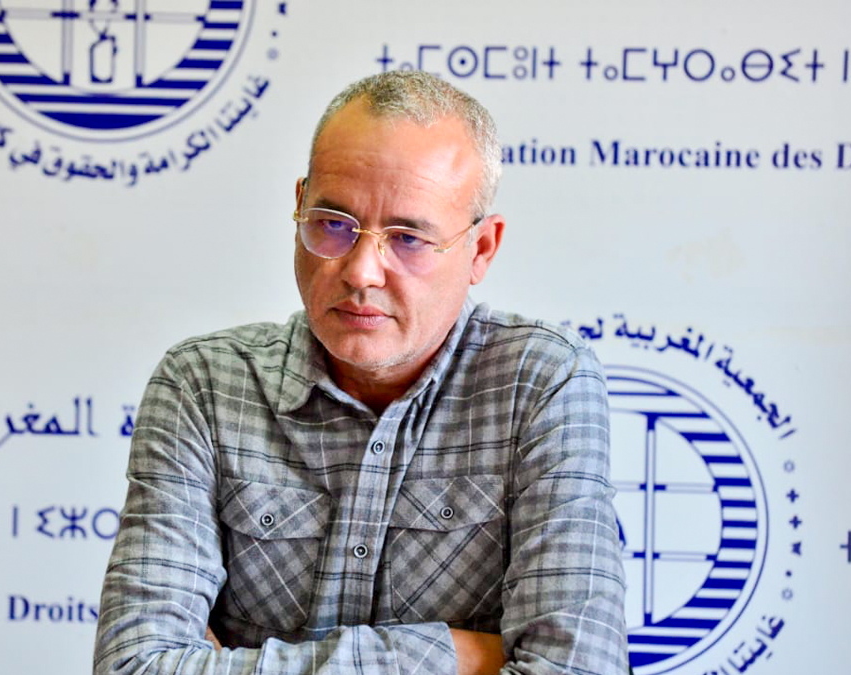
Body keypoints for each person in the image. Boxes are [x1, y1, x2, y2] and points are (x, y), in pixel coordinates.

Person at [94, 71, 628, 675]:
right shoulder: (203, 386)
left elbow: (576, 668)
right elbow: (134, 666)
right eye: (332, 223)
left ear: (481, 249)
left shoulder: (540, 383)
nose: (361, 272)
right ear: (299, 205)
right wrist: (450, 657)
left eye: (408, 238)